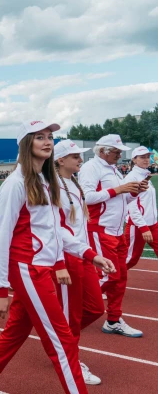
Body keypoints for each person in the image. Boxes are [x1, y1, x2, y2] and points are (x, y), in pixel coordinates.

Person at [0, 121, 115, 394]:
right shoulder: (15, 185)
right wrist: (0, 288)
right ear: (26, 144)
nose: (47, 141)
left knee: (16, 331)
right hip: (28, 269)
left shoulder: (46, 182)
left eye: (49, 137)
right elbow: (2, 237)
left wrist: (89, 254)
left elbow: (56, 230)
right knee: (63, 341)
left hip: (41, 268)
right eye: (39, 137)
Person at [79, 134, 147, 338]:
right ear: (103, 151)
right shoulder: (91, 168)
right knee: (110, 276)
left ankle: (114, 320)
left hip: (117, 232)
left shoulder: (112, 169)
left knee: (121, 276)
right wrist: (118, 189)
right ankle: (67, 305)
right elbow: (87, 197)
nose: (120, 154)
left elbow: (120, 199)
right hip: (101, 230)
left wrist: (134, 191)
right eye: (117, 151)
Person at [54, 140, 104, 385]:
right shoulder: (53, 188)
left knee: (95, 308)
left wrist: (91, 254)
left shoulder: (74, 183)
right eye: (75, 156)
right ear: (60, 160)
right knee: (71, 317)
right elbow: (57, 230)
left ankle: (60, 339)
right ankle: (69, 355)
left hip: (83, 255)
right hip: (67, 258)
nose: (80, 160)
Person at [124, 146, 158, 268]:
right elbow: (131, 205)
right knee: (130, 259)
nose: (146, 159)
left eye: (148, 157)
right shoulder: (131, 178)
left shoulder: (146, 176)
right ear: (134, 159)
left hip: (153, 224)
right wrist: (143, 227)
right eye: (142, 157)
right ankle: (105, 279)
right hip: (137, 226)